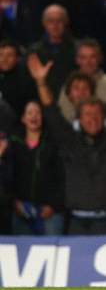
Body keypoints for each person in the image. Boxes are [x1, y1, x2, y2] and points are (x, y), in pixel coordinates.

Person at [27, 55, 106, 236]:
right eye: (87, 115)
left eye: (97, 115)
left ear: (105, 117)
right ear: (79, 119)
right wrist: (41, 82)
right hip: (78, 226)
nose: (93, 119)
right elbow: (51, 111)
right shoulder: (69, 141)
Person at [10, 101, 64, 235]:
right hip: (21, 210)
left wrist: (53, 205)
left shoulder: (54, 143)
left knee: (52, 252)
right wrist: (14, 202)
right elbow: (8, 177)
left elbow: (63, 177)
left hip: (50, 212)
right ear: (23, 118)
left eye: (37, 113)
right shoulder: (13, 144)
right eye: (29, 113)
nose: (34, 117)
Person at [57, 39, 106, 122]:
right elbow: (62, 117)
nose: (88, 62)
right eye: (83, 57)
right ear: (77, 59)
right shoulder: (67, 86)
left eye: (93, 57)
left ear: (100, 58)